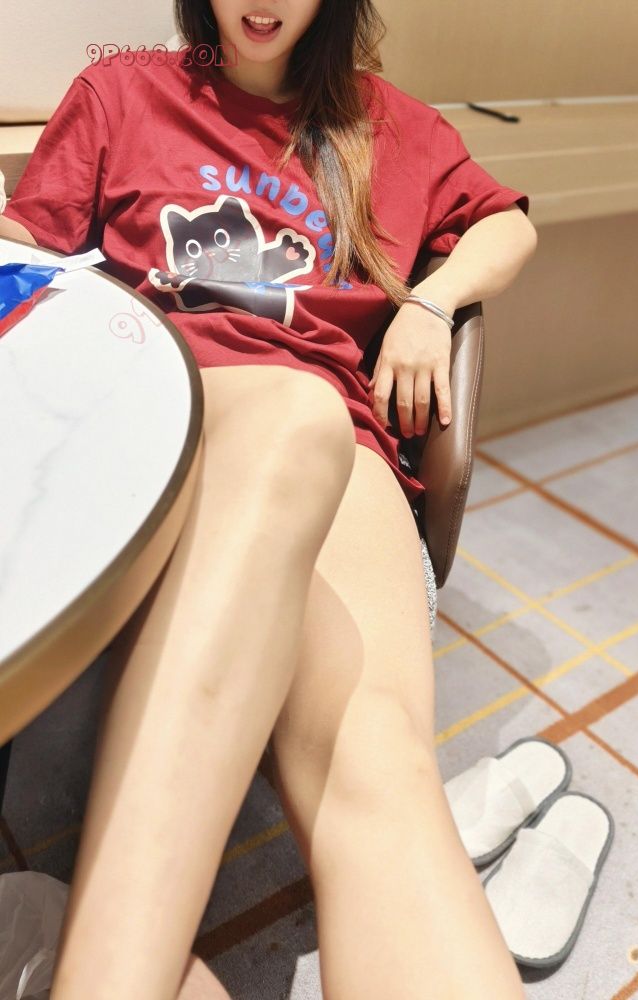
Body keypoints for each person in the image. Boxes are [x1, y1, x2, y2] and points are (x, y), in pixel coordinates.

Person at [0, 1, 537, 997]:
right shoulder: (122, 91)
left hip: (340, 445)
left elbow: (506, 224)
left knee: (382, 767)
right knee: (295, 415)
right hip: (159, 417)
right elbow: (24, 246)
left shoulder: (394, 126)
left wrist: (432, 301)